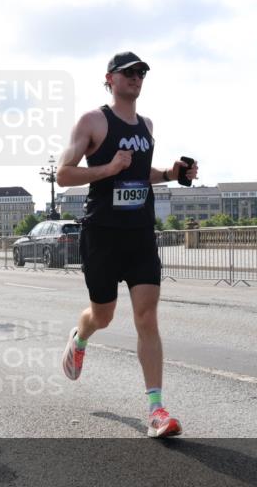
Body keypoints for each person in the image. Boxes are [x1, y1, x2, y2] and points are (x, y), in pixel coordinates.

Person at [56, 51, 198, 438]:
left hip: (138, 234)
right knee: (103, 315)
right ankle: (80, 336)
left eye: (142, 73)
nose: (137, 77)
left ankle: (156, 409)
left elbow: (142, 173)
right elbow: (63, 174)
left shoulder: (147, 125)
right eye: (130, 72)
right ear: (110, 78)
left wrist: (171, 172)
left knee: (146, 316)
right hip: (101, 234)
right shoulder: (93, 121)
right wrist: (108, 169)